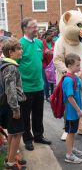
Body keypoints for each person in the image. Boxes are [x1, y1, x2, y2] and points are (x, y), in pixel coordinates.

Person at [19, 17, 51, 151]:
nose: (36, 29)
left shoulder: (39, 43)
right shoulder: (19, 44)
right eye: (33, 27)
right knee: (25, 116)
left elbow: (42, 60)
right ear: (25, 29)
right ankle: (27, 139)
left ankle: (39, 135)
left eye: (37, 26)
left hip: (39, 85)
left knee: (38, 114)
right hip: (25, 87)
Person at [1, 38, 27, 169]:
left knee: (12, 132)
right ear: (11, 52)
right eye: (19, 49)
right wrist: (16, 109)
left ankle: (9, 157)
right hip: (12, 105)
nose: (21, 51)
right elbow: (10, 90)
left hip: (6, 105)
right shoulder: (11, 67)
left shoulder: (3, 64)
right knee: (18, 133)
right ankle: (11, 164)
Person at [62, 53, 82, 164]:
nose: (79, 67)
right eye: (77, 65)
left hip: (75, 111)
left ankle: (71, 148)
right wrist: (78, 110)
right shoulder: (68, 80)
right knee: (70, 132)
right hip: (71, 112)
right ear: (70, 66)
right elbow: (70, 97)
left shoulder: (75, 77)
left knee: (73, 131)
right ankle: (69, 155)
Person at [42, 29, 55, 102]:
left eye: (53, 36)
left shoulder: (53, 43)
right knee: (46, 81)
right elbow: (39, 55)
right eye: (51, 36)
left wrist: (53, 52)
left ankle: (53, 95)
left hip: (52, 65)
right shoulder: (42, 43)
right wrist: (45, 53)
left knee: (52, 81)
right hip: (44, 65)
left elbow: (56, 53)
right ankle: (47, 96)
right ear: (47, 35)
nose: (52, 38)